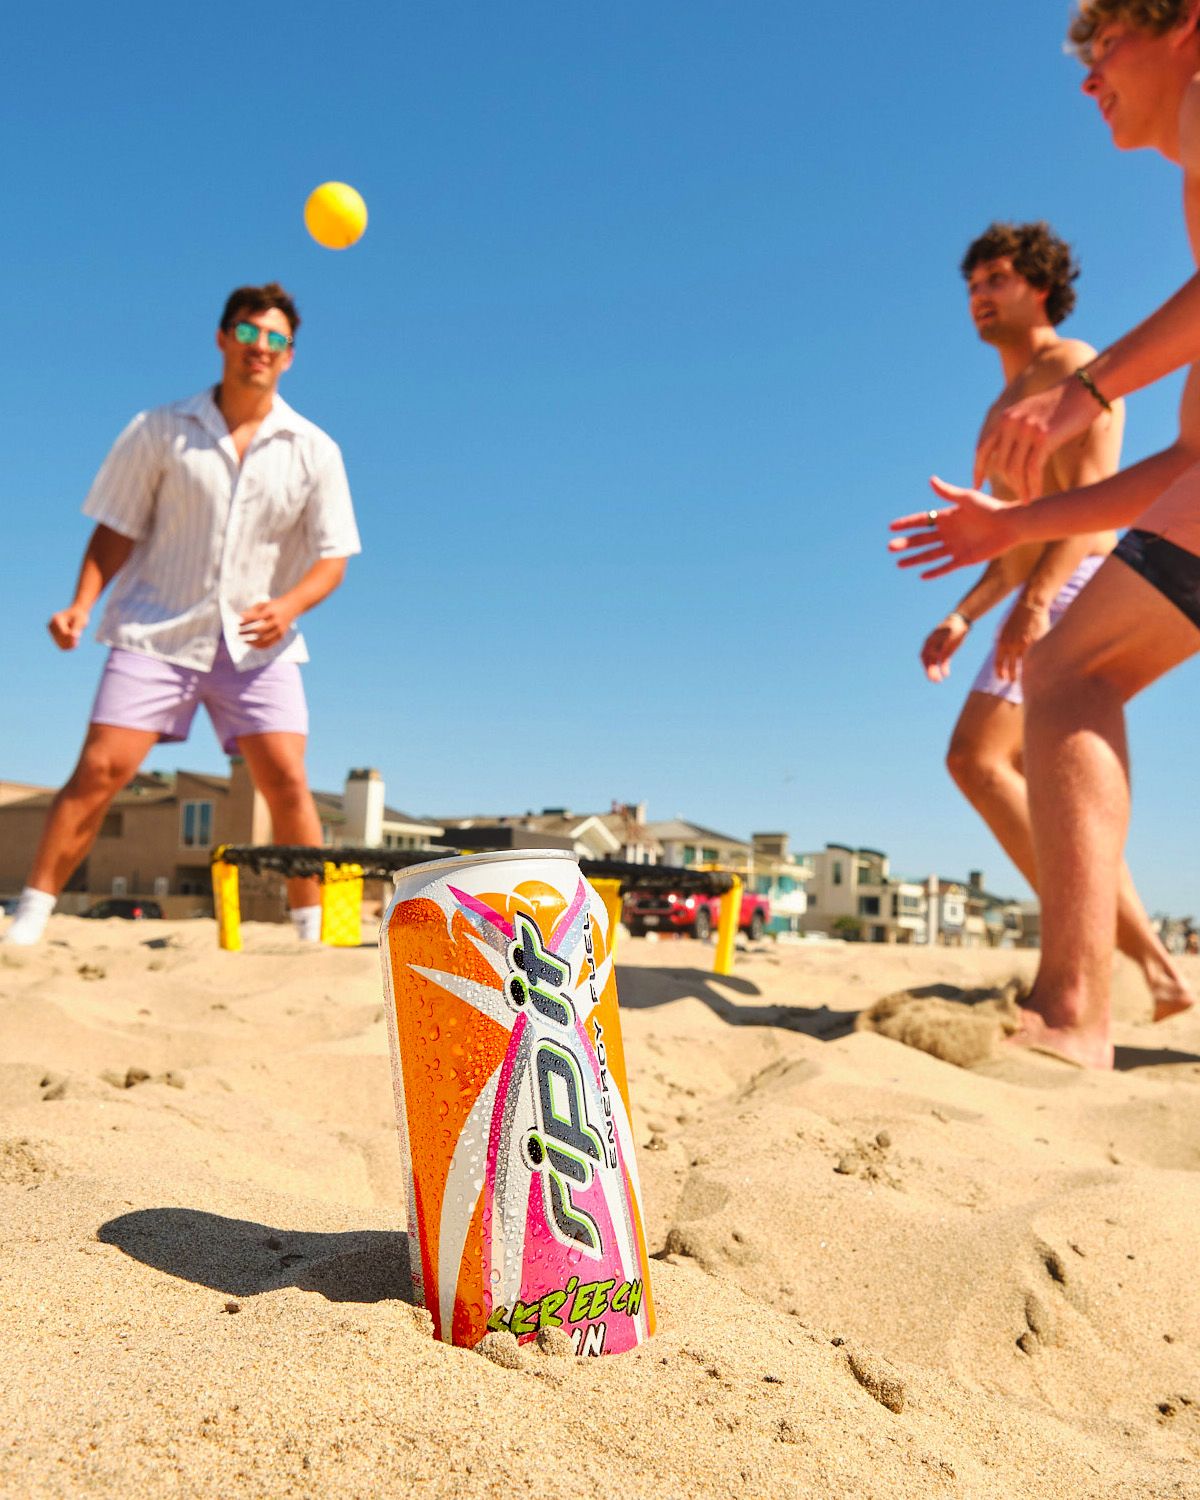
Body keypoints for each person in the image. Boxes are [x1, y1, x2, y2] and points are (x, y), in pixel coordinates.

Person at [890, 0, 1200, 1066]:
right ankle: (1103, 989)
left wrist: (1096, 385)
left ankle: (1087, 1000)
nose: (1087, 79)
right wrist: (1001, 541)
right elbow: (1183, 472)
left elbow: (1122, 471)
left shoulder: (1076, 367)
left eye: (1103, 45)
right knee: (1057, 694)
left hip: (1077, 568)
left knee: (1040, 701)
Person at [3, 282, 360, 946]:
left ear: (290, 356)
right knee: (102, 769)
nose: (261, 347)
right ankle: (29, 916)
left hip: (260, 644)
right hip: (156, 630)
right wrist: (82, 604)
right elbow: (116, 530)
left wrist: (288, 606)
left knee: (286, 779)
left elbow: (333, 559)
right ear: (223, 339)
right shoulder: (159, 429)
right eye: (249, 333)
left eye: (276, 339)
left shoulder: (316, 449)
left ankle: (314, 932)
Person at [922, 222, 1190, 1015]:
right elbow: (1013, 535)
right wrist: (966, 613)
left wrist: (1037, 601)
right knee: (1022, 780)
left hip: (1084, 574)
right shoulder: (998, 408)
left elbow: (1097, 505)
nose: (980, 296)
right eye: (973, 285)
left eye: (997, 279)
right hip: (1040, 575)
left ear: (1040, 286)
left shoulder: (1076, 368)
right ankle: (1156, 969)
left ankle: (1103, 964)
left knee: (978, 758)